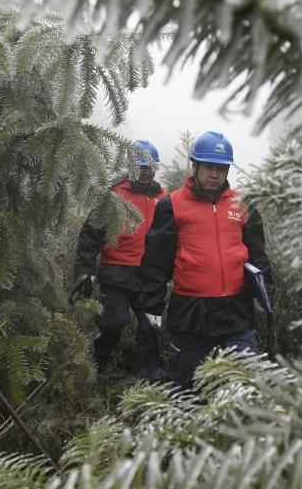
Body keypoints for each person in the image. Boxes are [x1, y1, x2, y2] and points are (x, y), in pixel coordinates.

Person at [140, 131, 275, 389]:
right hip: (191, 312)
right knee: (187, 389)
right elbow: (155, 263)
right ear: (195, 166)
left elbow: (258, 255)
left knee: (246, 382)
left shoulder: (244, 205)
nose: (215, 174)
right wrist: (152, 306)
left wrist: (265, 292)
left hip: (236, 311)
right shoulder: (173, 205)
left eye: (222, 168)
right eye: (209, 167)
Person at [73, 139, 168, 379]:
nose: (146, 171)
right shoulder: (114, 193)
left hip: (150, 275)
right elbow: (91, 232)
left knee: (151, 325)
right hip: (116, 271)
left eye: (150, 166)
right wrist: (85, 270)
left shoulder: (164, 197)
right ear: (130, 166)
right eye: (140, 166)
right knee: (114, 322)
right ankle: (95, 368)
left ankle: (149, 376)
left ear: (155, 167)